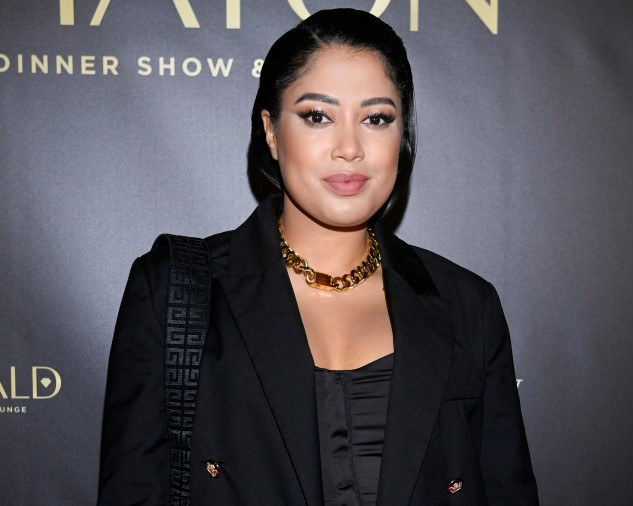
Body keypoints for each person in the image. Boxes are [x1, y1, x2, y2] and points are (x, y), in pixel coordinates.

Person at [98, 8, 538, 505]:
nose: (349, 148)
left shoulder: (467, 306)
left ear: (402, 134)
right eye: (317, 116)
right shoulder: (175, 292)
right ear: (270, 131)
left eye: (376, 118)